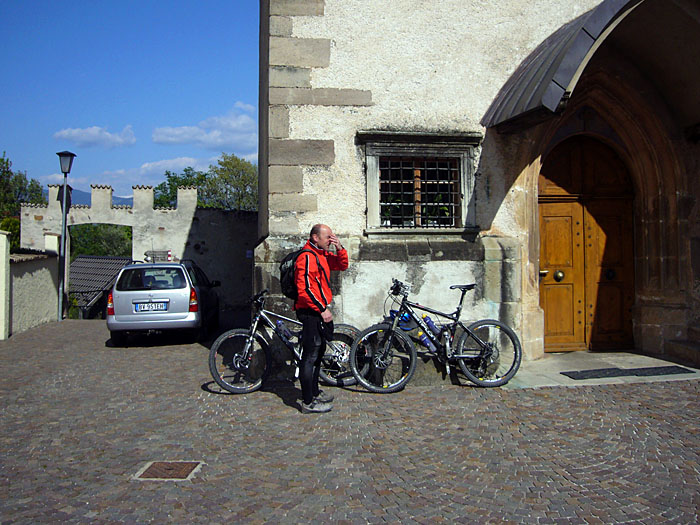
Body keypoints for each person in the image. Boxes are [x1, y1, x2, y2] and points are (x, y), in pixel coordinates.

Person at [294, 223, 349, 413]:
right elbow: (305, 289)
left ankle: (315, 391)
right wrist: (321, 309)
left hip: (318, 311)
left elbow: (342, 265)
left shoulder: (321, 255)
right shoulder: (307, 257)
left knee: (318, 352)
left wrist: (339, 248)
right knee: (310, 355)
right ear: (315, 238)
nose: (330, 240)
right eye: (328, 237)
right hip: (310, 313)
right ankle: (307, 402)